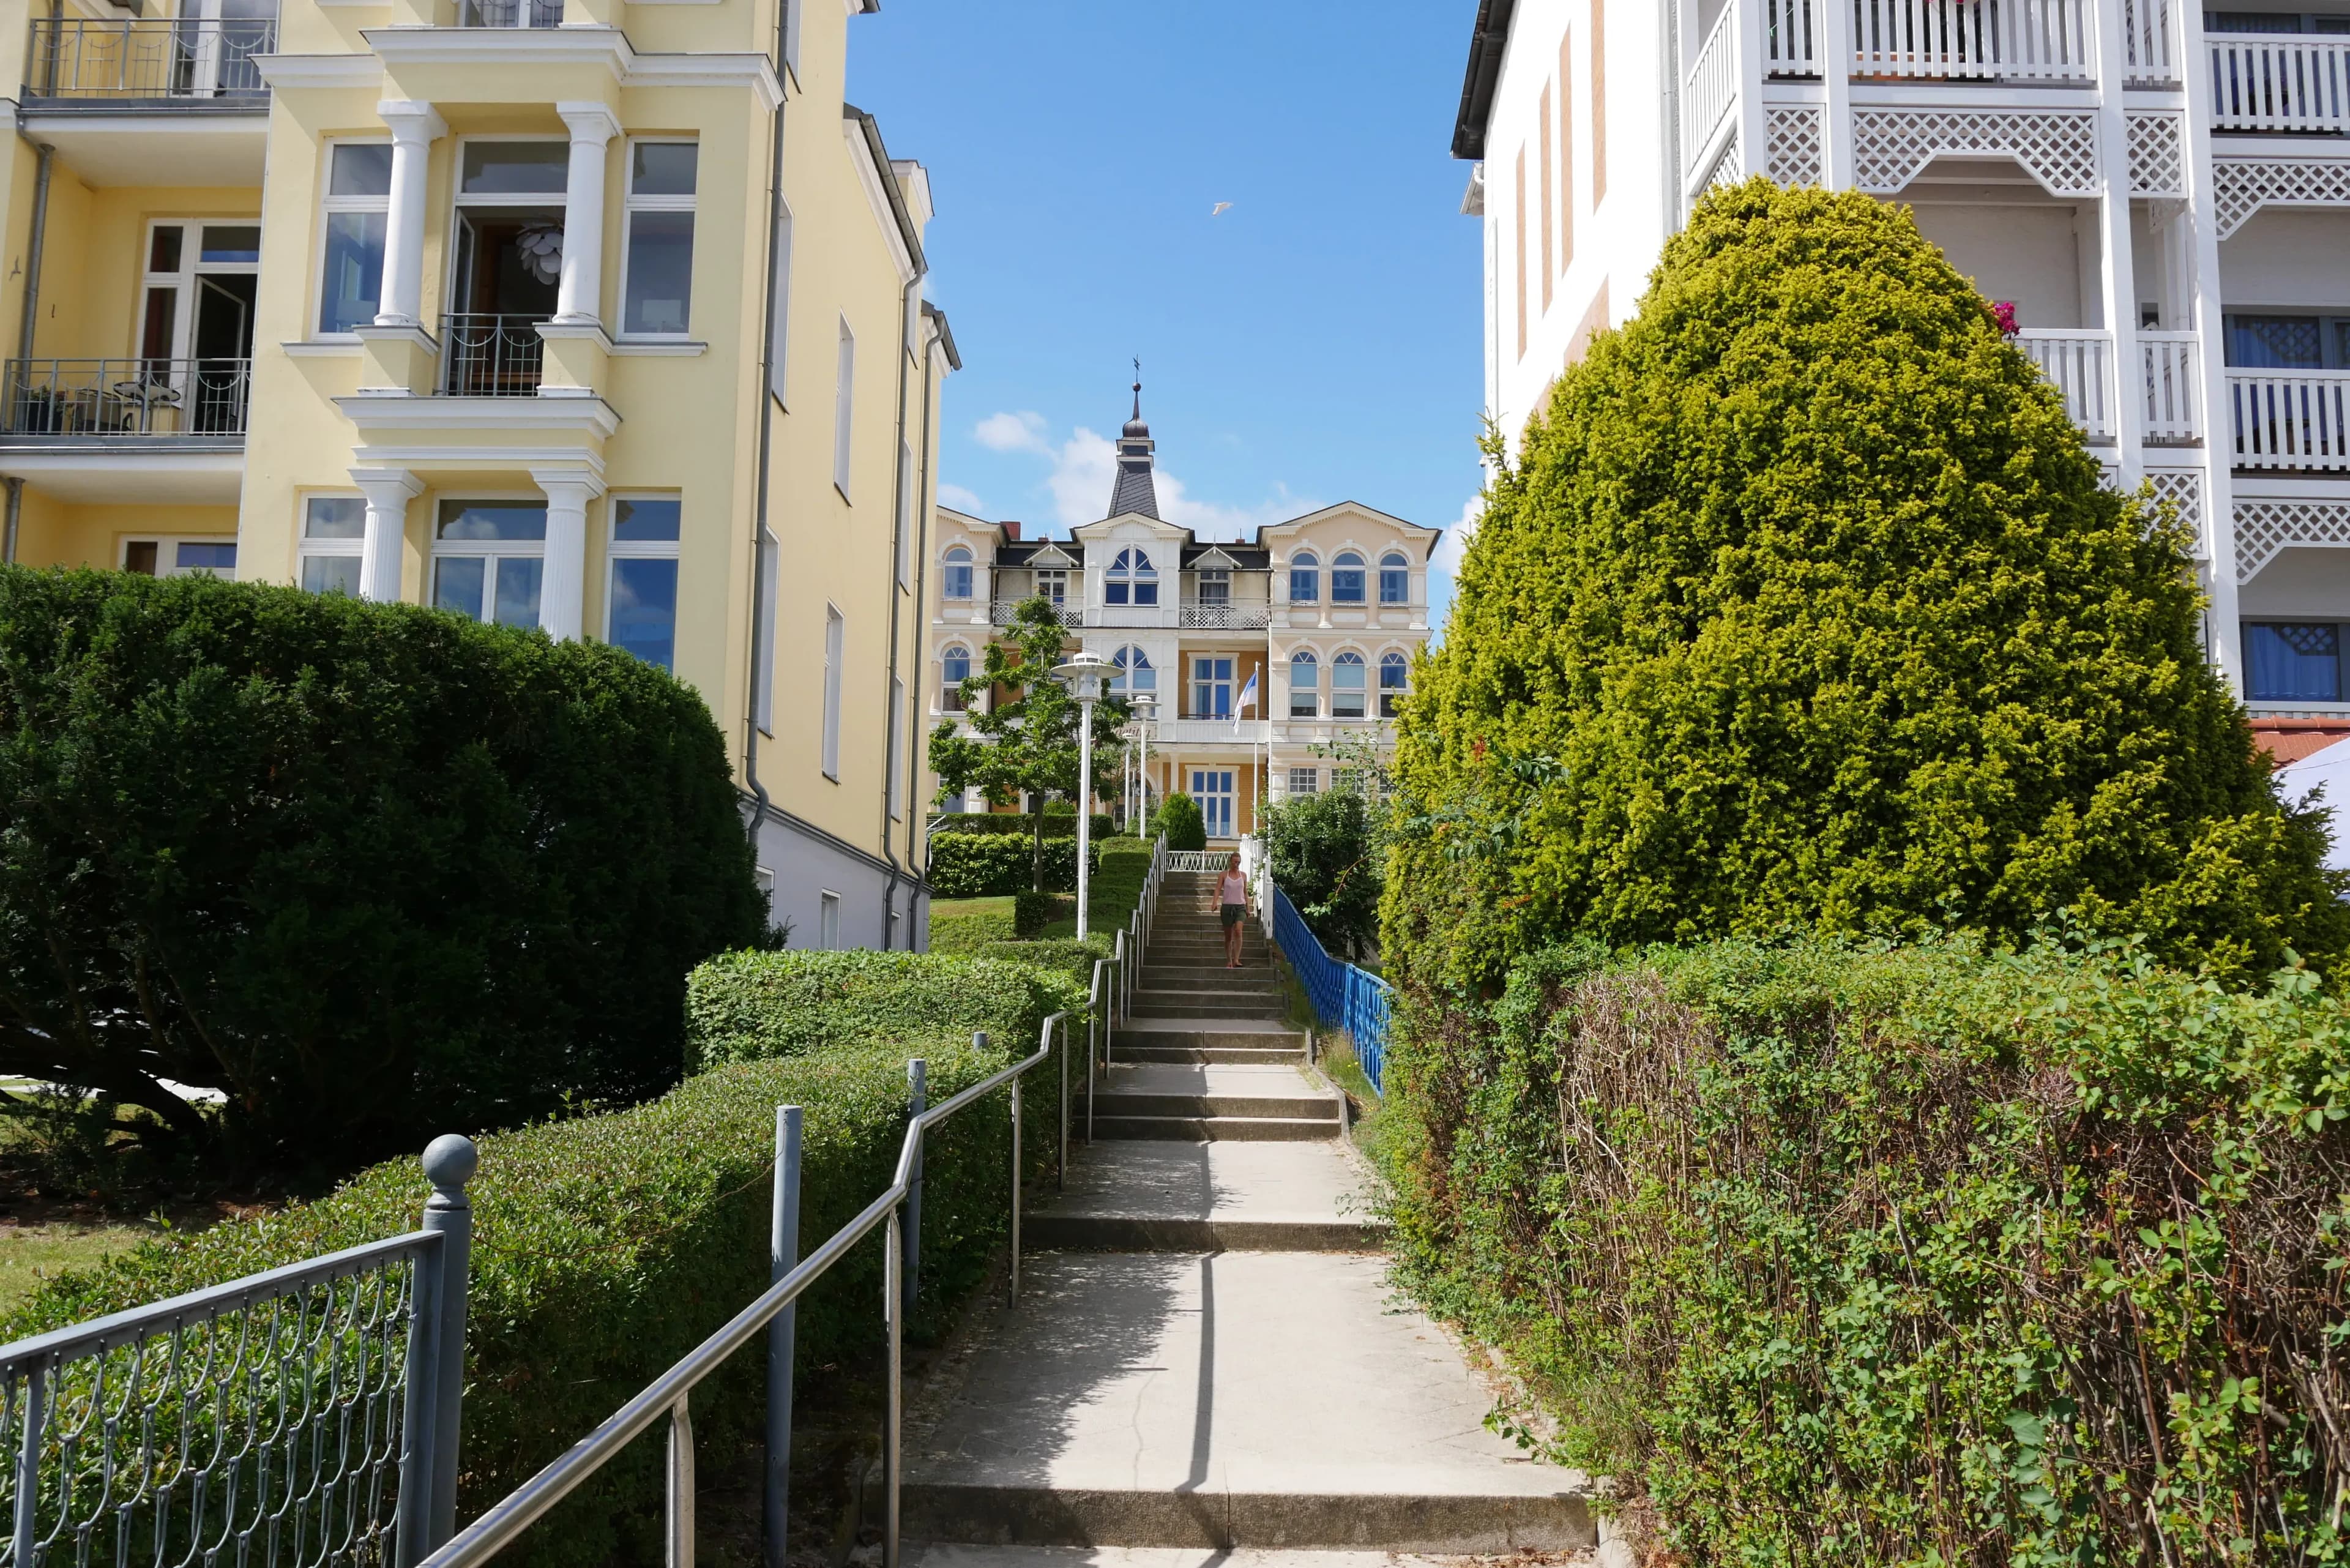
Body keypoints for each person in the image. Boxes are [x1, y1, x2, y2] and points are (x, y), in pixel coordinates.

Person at [1218, 852, 1248, 968]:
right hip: (1227, 907)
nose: (1237, 864)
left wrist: (1248, 908)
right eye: (1235, 862)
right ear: (1230, 861)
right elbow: (1217, 889)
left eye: (1239, 862)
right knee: (1228, 936)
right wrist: (1215, 902)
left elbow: (1245, 892)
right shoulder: (1224, 875)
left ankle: (1236, 960)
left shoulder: (1244, 875)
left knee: (1238, 931)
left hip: (1241, 907)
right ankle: (1229, 960)